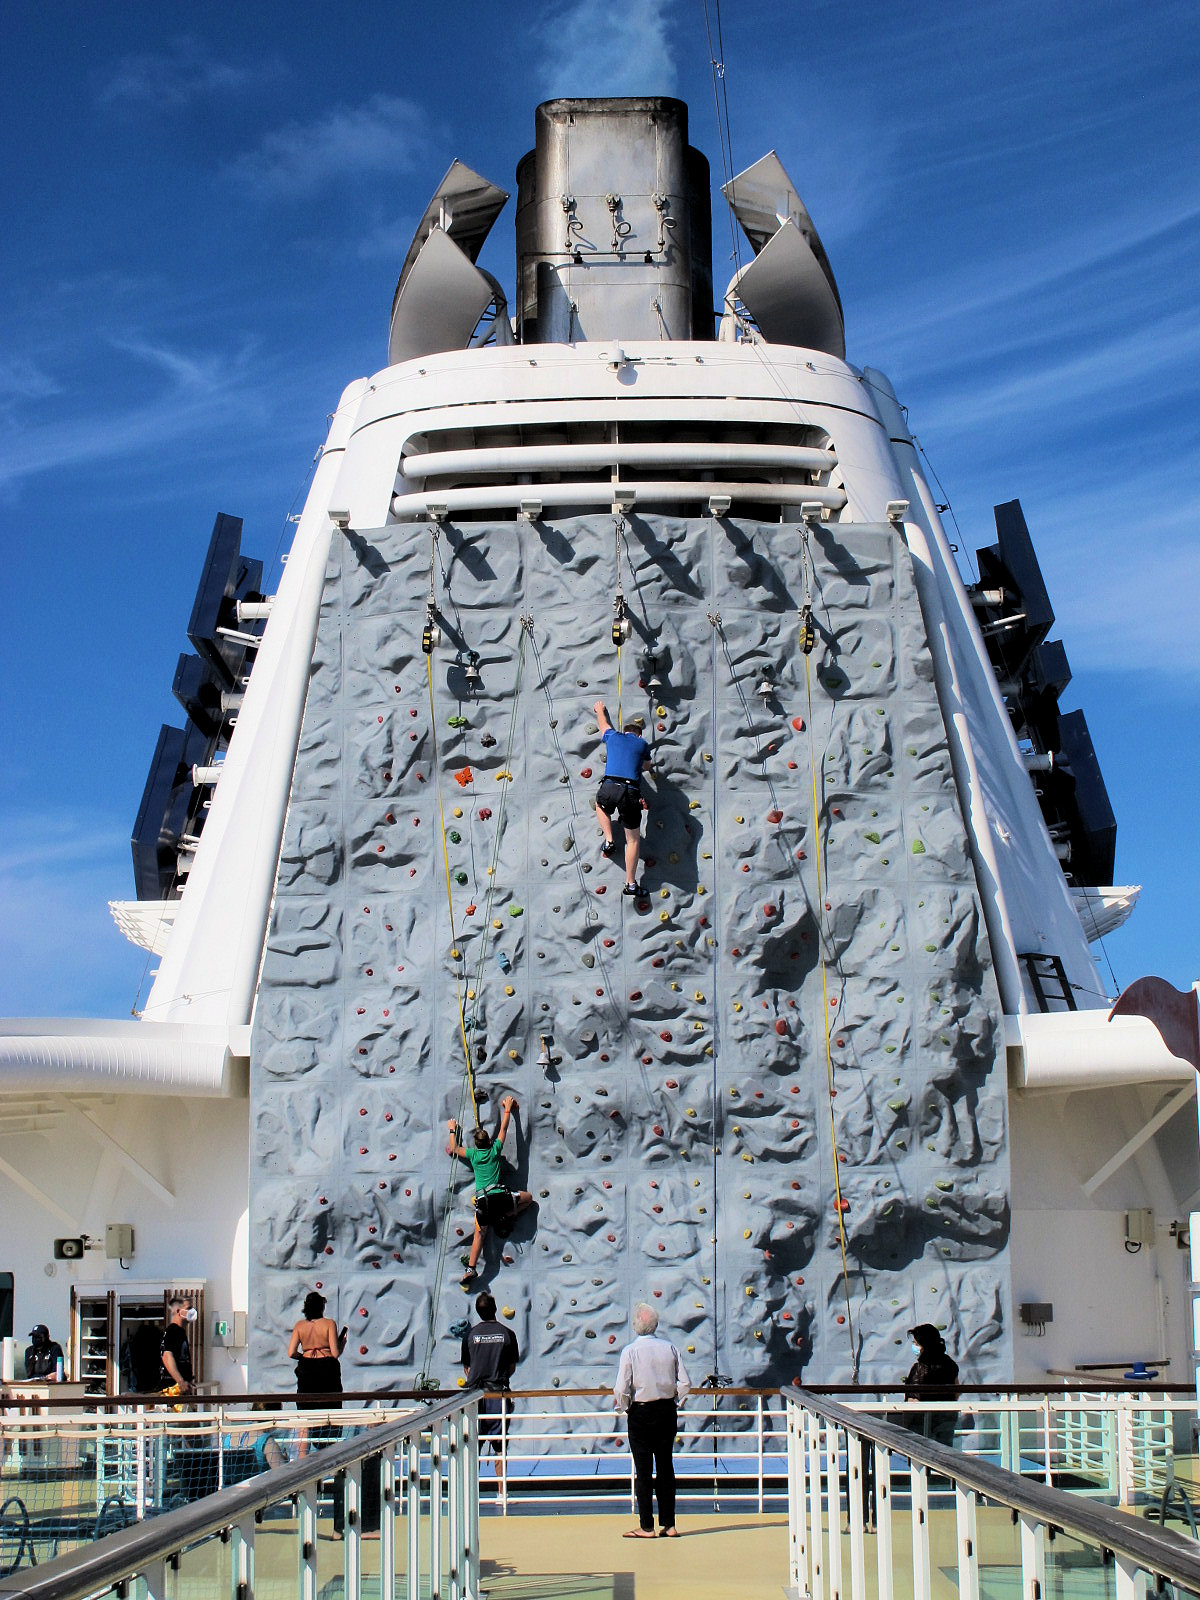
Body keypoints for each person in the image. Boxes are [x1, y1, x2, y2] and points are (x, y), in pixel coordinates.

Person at [613, 1302, 691, 1539]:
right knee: (666, 1467)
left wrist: (625, 1406)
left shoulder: (630, 1351)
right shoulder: (670, 1348)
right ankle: (669, 1524)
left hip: (641, 1412)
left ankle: (647, 1526)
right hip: (666, 1410)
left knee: (643, 1470)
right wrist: (675, 1401)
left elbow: (621, 1388)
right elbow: (685, 1383)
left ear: (636, 1325)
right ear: (655, 1324)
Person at [447, 1094, 533, 1289]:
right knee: (528, 1199)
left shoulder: (473, 1155)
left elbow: (455, 1148)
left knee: (479, 1235)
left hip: (483, 1202)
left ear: (476, 1144)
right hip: (500, 1198)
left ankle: (470, 1269)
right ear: (488, 1141)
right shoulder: (495, 1150)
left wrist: (452, 1129)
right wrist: (508, 1109)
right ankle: (505, 1216)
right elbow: (503, 1129)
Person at [592, 699, 652, 896]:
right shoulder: (642, 744)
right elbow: (646, 766)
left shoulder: (613, 736)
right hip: (630, 791)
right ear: (638, 734)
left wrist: (599, 709)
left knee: (600, 806)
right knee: (633, 840)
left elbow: (603, 724)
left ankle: (609, 840)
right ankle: (630, 884)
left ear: (625, 732)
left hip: (610, 785)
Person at [461, 1291, 520, 1487]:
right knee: (500, 1445)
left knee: (472, 1445)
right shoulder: (507, 1334)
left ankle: (471, 1492)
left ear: (478, 1312)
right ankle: (501, 1493)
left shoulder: (469, 1336)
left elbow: (467, 1369)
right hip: (498, 1394)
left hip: (474, 1397)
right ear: (495, 1309)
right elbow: (511, 1367)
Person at [902, 1323, 959, 1448]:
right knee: (944, 1452)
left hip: (921, 1422)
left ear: (925, 1345)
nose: (914, 1346)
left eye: (916, 1343)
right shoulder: (950, 1364)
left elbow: (913, 1399)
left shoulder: (919, 1368)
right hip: (947, 1417)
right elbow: (957, 1391)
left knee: (920, 1453)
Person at [288, 1290, 346, 1410]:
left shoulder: (299, 1325)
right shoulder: (329, 1323)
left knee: (306, 1405)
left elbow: (291, 1352)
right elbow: (335, 1353)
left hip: (307, 1367)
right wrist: (342, 1344)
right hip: (327, 1366)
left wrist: (303, 1357)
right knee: (331, 1405)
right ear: (321, 1307)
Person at [159, 1298, 196, 1397]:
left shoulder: (180, 1332)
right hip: (173, 1391)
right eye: (189, 1308)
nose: (192, 1311)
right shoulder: (173, 1331)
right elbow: (166, 1356)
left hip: (181, 1390)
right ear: (179, 1311)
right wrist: (180, 1381)